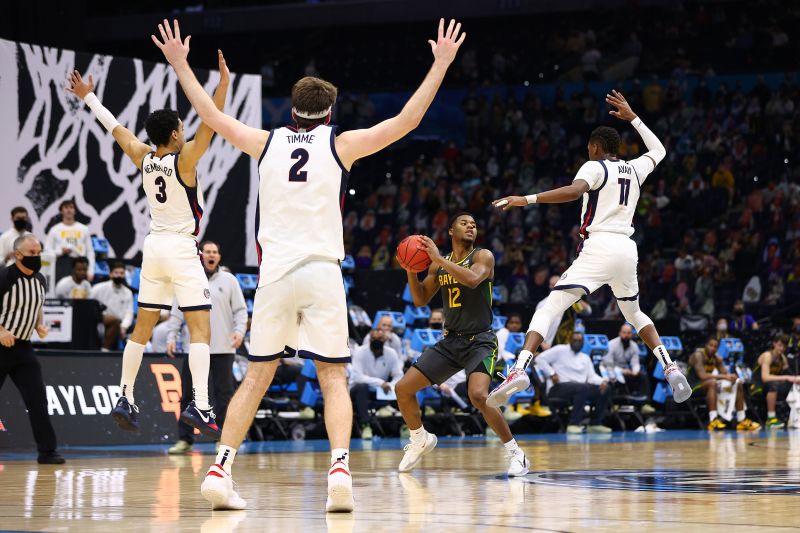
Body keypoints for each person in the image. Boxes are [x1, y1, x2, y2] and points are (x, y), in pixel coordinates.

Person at [153, 17, 466, 512]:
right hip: (322, 273)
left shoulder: (266, 142)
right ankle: (339, 470)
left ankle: (220, 469)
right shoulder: (341, 144)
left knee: (255, 378)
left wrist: (178, 64)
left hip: (274, 275)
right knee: (333, 377)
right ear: (329, 112)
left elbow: (209, 115)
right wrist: (441, 62)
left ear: (294, 111)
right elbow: (407, 121)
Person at [487, 90, 691, 408]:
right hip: (627, 249)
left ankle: (518, 370)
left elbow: (573, 191)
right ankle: (670, 365)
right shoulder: (635, 169)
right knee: (635, 314)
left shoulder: (594, 167)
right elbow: (660, 150)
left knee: (548, 308)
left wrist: (525, 199)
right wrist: (634, 117)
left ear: (595, 147)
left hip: (599, 246)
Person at [65, 51, 229, 438]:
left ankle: (125, 396)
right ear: (174, 134)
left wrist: (88, 97)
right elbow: (212, 120)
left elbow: (116, 128)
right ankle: (201, 405)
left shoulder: (144, 157)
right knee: (201, 331)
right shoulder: (184, 161)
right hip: (180, 247)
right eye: (182, 127)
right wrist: (222, 85)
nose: (186, 130)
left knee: (141, 328)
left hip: (152, 248)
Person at [394, 213, 529, 477]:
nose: (471, 226)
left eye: (474, 223)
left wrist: (438, 259)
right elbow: (420, 299)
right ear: (451, 231)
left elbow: (472, 280)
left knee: (479, 396)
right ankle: (419, 437)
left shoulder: (483, 256)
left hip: (480, 340)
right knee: (403, 389)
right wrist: (411, 270)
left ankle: (516, 453)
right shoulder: (438, 265)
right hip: (451, 341)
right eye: (464, 223)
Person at [166, 241, 247, 454]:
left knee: (224, 395)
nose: (211, 255)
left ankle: (224, 439)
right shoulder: (188, 278)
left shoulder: (229, 280)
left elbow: (240, 310)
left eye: (215, 252)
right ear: (201, 256)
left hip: (223, 348)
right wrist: (171, 337)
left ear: (219, 256)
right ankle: (184, 440)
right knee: (188, 394)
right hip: (195, 348)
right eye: (207, 252)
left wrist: (239, 331)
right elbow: (176, 312)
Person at [0, 235, 64, 464]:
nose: (37, 258)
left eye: (39, 252)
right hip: (0, 347)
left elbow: (36, 305)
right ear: (18, 255)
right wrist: (1, 330)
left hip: (24, 349)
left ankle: (47, 452)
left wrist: (38, 324)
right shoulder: (4, 277)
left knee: (38, 400)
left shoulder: (40, 280)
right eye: (31, 254)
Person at [536, 332, 613, 433]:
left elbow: (591, 376)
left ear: (583, 343)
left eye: (579, 341)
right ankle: (573, 424)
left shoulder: (585, 357)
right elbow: (540, 359)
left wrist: (603, 381)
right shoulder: (559, 349)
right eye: (574, 340)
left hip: (580, 389)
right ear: (570, 341)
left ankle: (595, 423)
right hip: (558, 388)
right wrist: (552, 373)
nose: (577, 343)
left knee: (605, 388)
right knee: (582, 387)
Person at [686, 337, 760, 431]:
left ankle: (741, 419)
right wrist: (725, 377)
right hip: (691, 387)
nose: (713, 348)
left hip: (708, 386)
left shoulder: (717, 358)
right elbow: (702, 376)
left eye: (715, 347)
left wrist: (732, 377)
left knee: (737, 383)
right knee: (712, 383)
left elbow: (725, 374)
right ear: (705, 346)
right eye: (711, 345)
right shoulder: (698, 355)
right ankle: (713, 419)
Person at [349, 326, 403, 439]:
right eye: (374, 338)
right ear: (369, 339)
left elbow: (399, 375)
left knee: (403, 387)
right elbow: (358, 377)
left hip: (381, 391)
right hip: (358, 390)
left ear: (385, 340)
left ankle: (406, 425)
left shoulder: (391, 353)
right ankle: (365, 425)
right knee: (361, 387)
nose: (377, 341)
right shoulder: (360, 352)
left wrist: (391, 385)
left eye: (380, 339)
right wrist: (380, 382)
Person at [498, 313, 551, 417]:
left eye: (517, 323)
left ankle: (535, 403)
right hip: (501, 363)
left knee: (537, 370)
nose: (514, 325)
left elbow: (525, 351)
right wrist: (518, 358)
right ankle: (510, 406)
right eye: (511, 323)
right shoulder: (503, 333)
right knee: (526, 370)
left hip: (517, 362)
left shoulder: (522, 335)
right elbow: (501, 351)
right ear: (507, 324)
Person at [601, 323, 654, 413]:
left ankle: (645, 404)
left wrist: (635, 371)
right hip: (608, 370)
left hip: (624, 371)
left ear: (631, 334)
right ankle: (615, 403)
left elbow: (635, 363)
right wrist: (622, 371)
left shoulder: (634, 346)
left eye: (629, 333)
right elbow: (608, 364)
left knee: (642, 376)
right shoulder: (612, 344)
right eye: (624, 332)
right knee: (615, 376)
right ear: (620, 333)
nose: (626, 335)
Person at [751, 335, 797, 430]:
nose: (782, 348)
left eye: (784, 346)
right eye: (780, 345)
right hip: (757, 385)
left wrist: (795, 378)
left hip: (771, 385)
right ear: (774, 344)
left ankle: (795, 416)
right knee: (773, 384)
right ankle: (771, 419)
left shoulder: (782, 358)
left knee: (794, 384)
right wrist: (787, 377)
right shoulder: (767, 356)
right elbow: (765, 378)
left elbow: (790, 374)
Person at [536, 275, 593, 350]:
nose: (553, 287)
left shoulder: (571, 301)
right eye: (551, 284)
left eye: (556, 284)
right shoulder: (542, 304)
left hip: (568, 346)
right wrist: (543, 344)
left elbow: (588, 311)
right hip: (549, 346)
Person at [45, 199, 95, 282]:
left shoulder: (84, 229)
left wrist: (91, 271)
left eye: (71, 207)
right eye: (66, 207)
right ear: (61, 211)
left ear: (75, 211)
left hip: (80, 263)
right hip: (62, 264)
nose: (69, 210)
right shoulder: (54, 230)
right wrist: (61, 252)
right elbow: (47, 251)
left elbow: (90, 251)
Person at [90, 262, 134, 350]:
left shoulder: (128, 293)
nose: (119, 276)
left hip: (119, 324)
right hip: (99, 319)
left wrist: (124, 326)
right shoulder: (98, 288)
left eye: (121, 273)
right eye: (116, 273)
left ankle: (106, 350)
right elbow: (89, 304)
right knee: (114, 321)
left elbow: (129, 313)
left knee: (117, 322)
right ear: (111, 274)